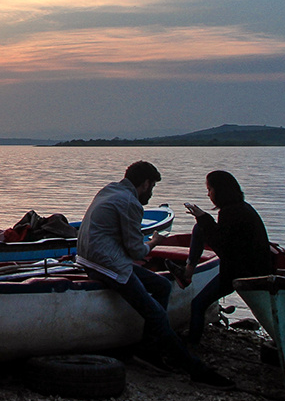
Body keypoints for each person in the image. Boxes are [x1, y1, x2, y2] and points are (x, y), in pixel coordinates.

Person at [76, 161, 234, 388]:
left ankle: (148, 349)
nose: (151, 195)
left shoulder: (110, 189)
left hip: (89, 259)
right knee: (157, 315)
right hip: (108, 266)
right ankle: (196, 370)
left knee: (161, 285)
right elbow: (136, 251)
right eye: (152, 188)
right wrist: (154, 242)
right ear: (146, 184)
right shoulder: (130, 203)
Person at [183, 170, 274, 345]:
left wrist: (204, 219)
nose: (208, 194)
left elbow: (224, 248)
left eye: (209, 189)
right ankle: (188, 270)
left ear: (220, 190)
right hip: (244, 266)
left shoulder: (231, 212)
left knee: (198, 304)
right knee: (199, 227)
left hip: (242, 271)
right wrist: (204, 220)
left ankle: (191, 344)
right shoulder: (241, 207)